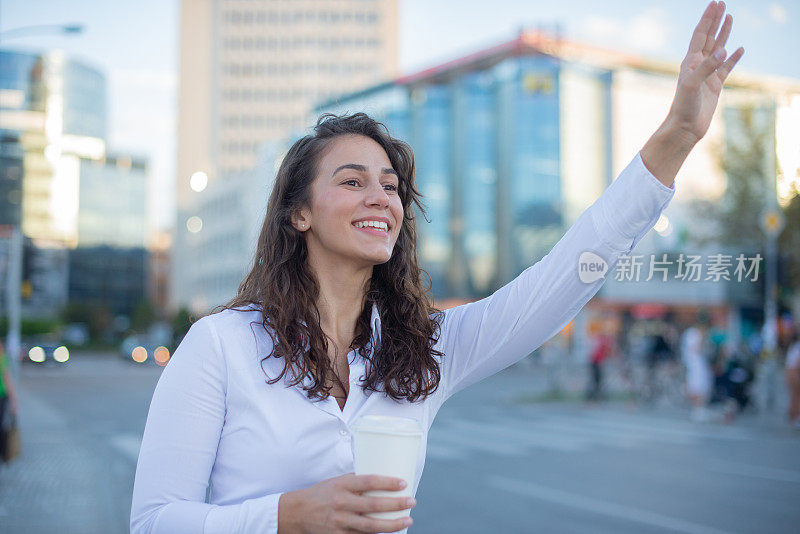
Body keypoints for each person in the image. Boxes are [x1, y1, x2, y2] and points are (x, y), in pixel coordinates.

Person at [130, 3, 743, 532]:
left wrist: (678, 137)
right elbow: (155, 520)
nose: (381, 198)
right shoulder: (221, 344)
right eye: (352, 181)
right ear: (299, 214)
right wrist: (284, 517)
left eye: (391, 187)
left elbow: (565, 276)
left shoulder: (423, 351)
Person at [681, 312, 714, 422]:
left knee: (701, 386)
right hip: (695, 364)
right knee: (697, 386)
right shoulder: (694, 333)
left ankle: (699, 409)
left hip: (697, 364)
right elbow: (696, 348)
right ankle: (697, 409)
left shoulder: (692, 332)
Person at [0, 337, 21, 464]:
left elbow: (7, 379)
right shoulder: (2, 358)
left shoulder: (2, 359)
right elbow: (8, 379)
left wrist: (14, 401)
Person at [785, 331, 800, 428]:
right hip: (794, 372)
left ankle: (793, 417)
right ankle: (795, 418)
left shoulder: (794, 346)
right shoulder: (797, 346)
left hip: (790, 372)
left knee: (794, 396)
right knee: (796, 396)